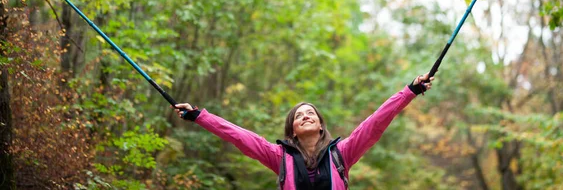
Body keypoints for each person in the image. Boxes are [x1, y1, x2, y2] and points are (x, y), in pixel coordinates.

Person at [174, 73, 434, 189]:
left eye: (310, 113)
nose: (305, 115)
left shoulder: (342, 154)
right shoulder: (279, 157)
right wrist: (199, 116)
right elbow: (239, 136)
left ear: (320, 125)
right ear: (293, 131)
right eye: (299, 115)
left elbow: (375, 122)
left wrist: (409, 91)